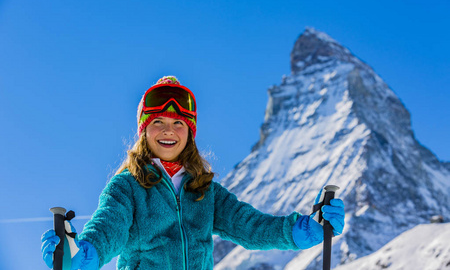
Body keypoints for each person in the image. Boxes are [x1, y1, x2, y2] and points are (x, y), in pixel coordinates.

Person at [41, 76, 345, 270]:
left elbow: (250, 226)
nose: (168, 131)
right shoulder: (126, 188)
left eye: (178, 124)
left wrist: (305, 229)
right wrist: (84, 254)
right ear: (144, 131)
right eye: (158, 122)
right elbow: (109, 227)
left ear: (190, 132)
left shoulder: (205, 190)